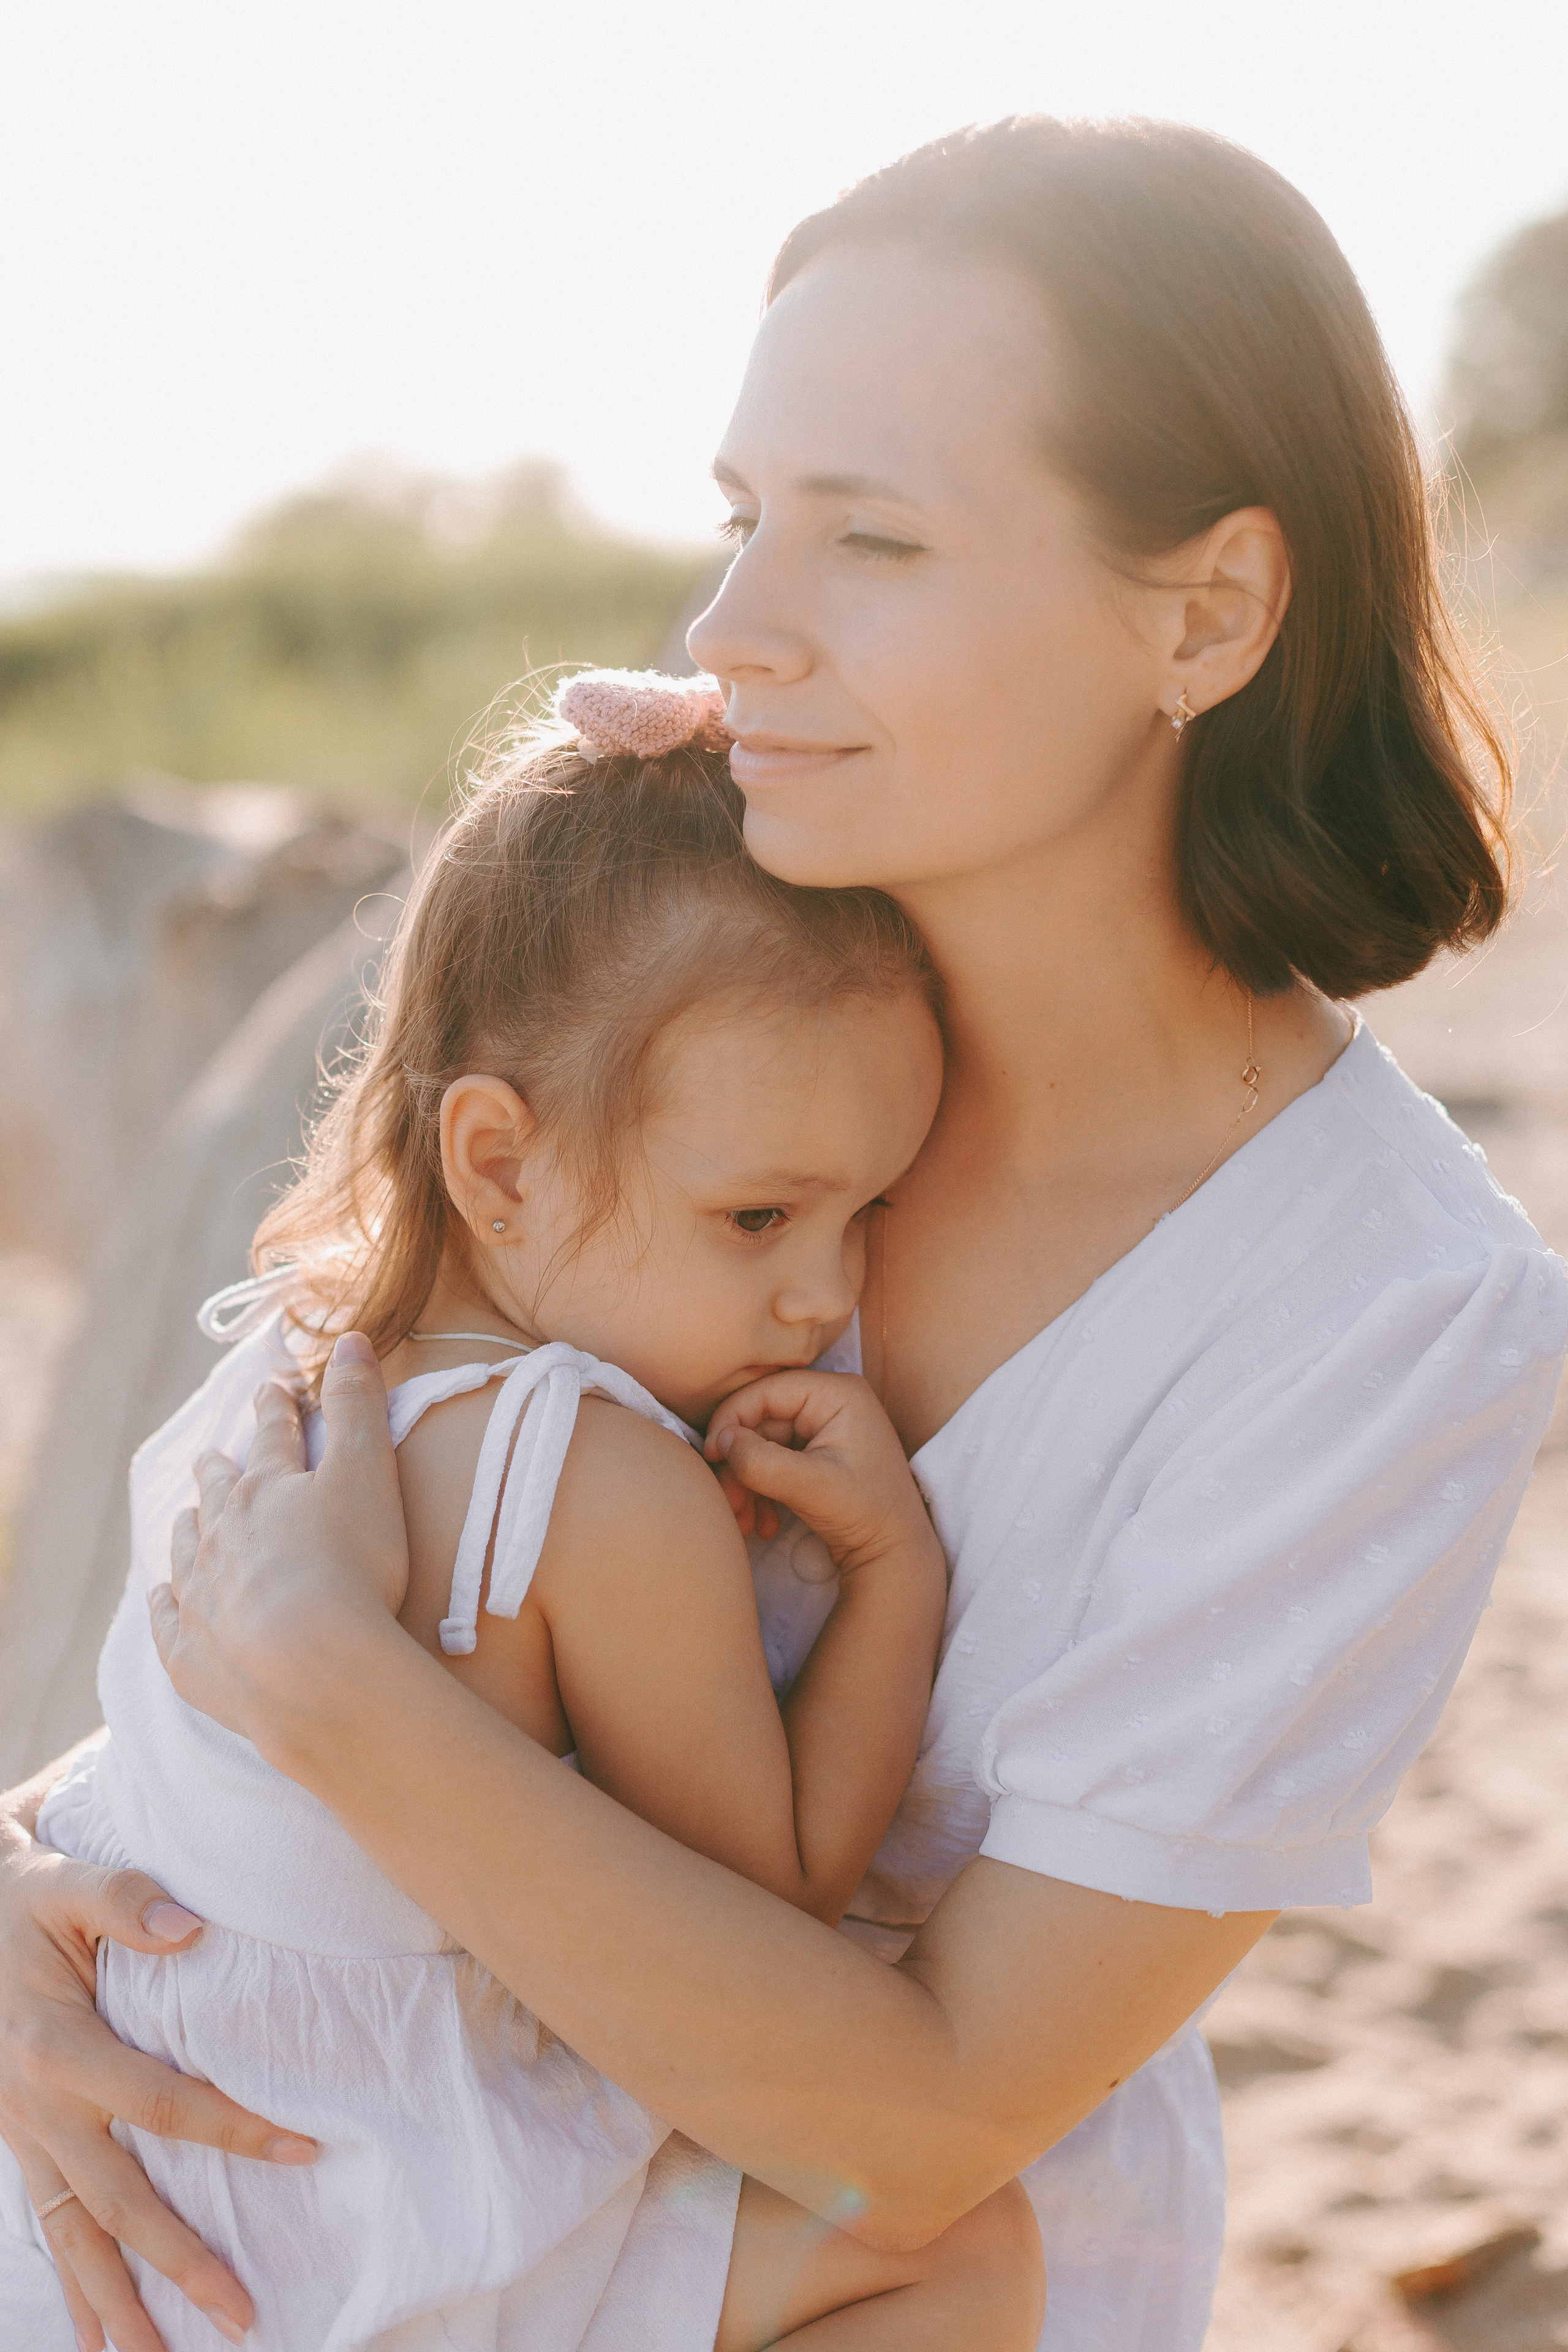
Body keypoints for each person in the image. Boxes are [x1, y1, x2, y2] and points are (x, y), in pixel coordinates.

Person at [3, 115, 1565, 2352]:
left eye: (875, 538)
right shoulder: (672, 1009)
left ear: (1206, 613)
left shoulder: (1386, 1314)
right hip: (302, 2199)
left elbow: (913, 2145)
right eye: (745, 520)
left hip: (848, 2281)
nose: (736, 626)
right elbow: (286, 1527)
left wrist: (356, 1715)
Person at [0, 672, 1054, 2349]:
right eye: (760, 1217)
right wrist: (893, 1586)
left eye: (866, 1215)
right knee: (962, 2260)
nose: (822, 1296)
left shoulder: (290, 1358)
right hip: (330, 2201)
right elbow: (758, 1949)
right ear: (497, 1163)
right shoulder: (594, 1485)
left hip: (134, 2131)